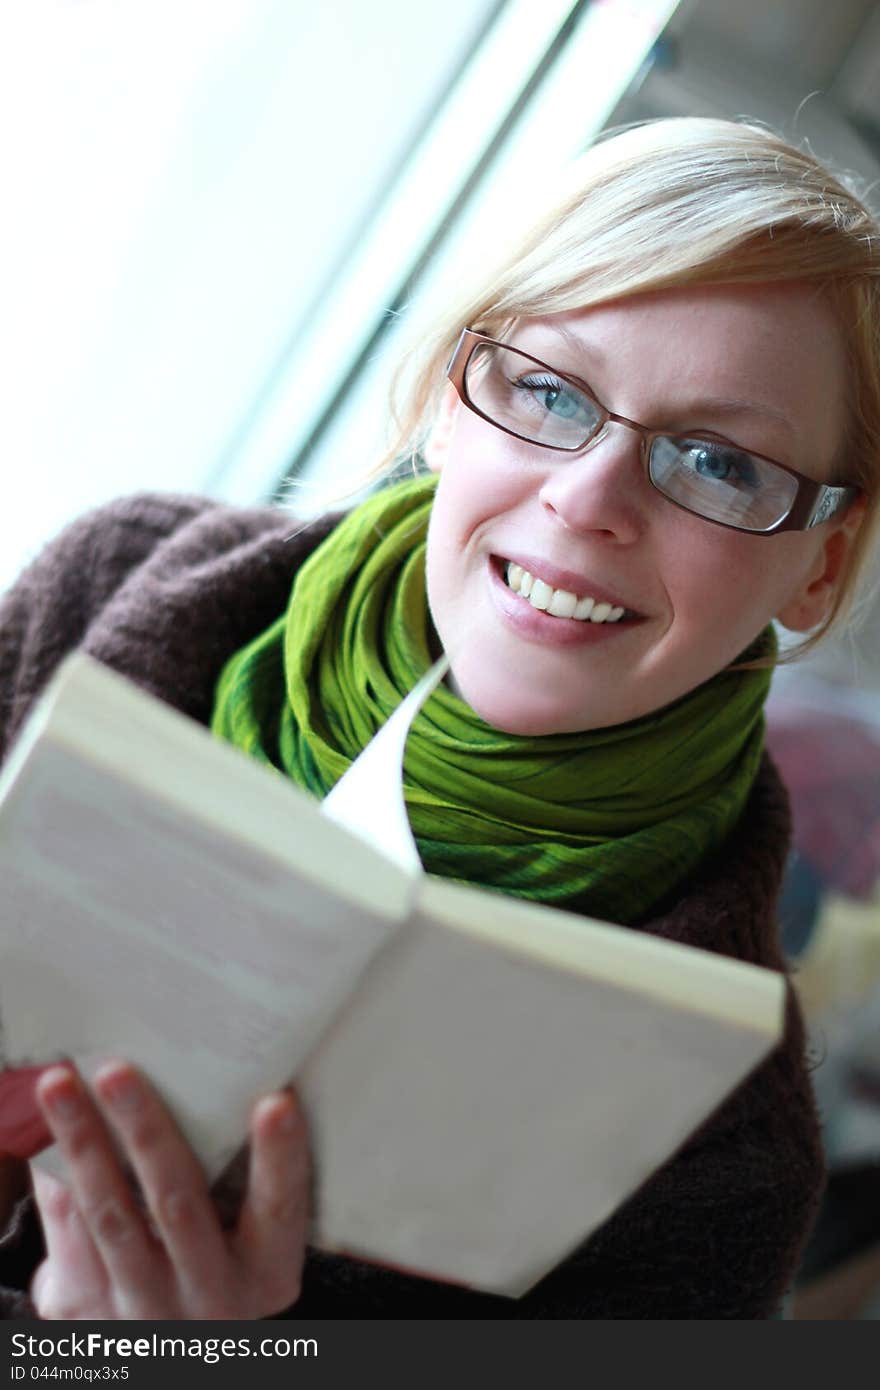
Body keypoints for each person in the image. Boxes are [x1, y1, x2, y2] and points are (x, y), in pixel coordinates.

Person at [1, 115, 878, 1320]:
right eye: (547, 392)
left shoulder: (723, 1168)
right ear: (450, 396)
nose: (586, 498)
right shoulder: (104, 582)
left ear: (821, 568)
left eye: (719, 463)